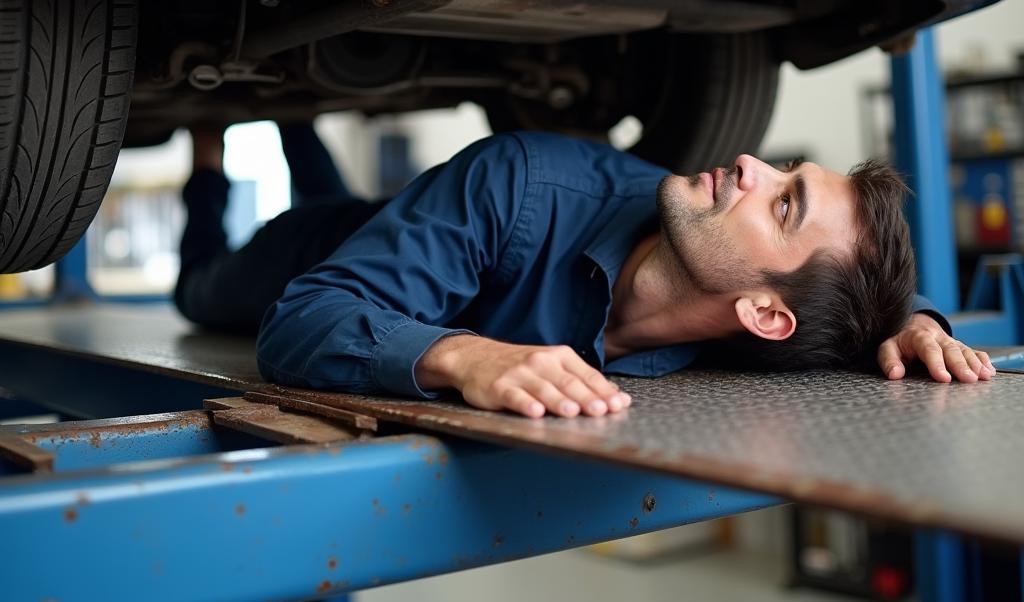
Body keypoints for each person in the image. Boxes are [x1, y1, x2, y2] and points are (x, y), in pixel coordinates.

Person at [176, 124, 996, 420]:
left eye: (782, 203)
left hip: (414, 233)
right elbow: (303, 317)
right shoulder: (524, 180)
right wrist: (466, 355)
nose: (749, 162)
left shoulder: (776, 323)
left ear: (762, 317)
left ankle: (293, 119)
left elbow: (846, 301)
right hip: (316, 253)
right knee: (202, 290)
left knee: (354, 201)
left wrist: (913, 321)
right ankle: (219, 139)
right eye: (786, 170)